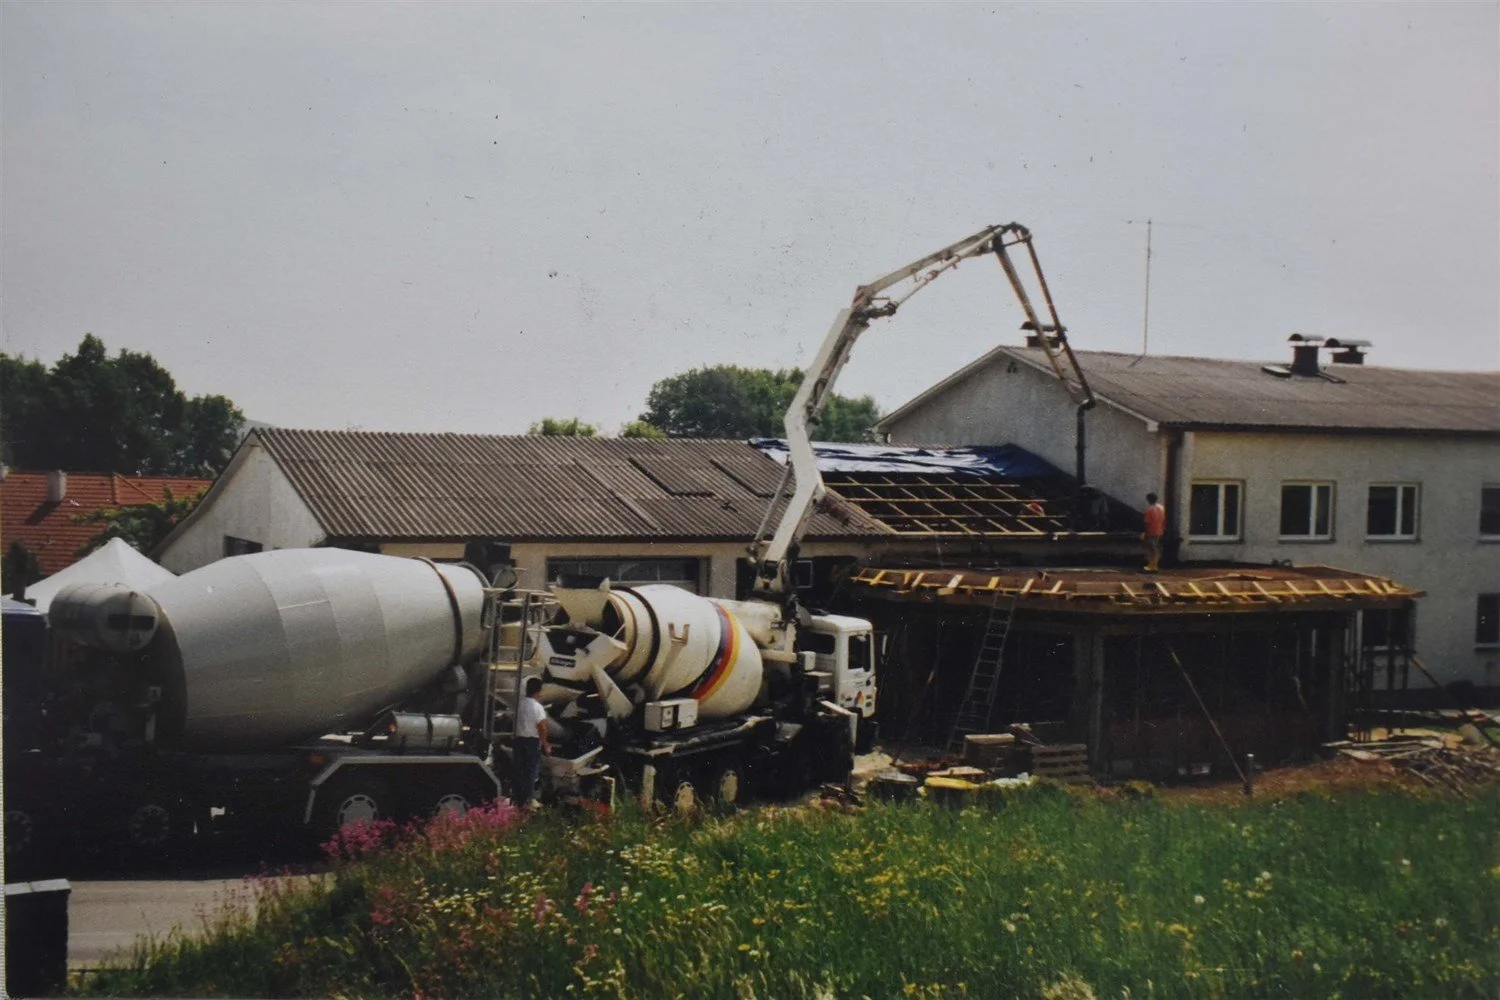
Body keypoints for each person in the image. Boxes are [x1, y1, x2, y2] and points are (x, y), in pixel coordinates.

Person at [513, 675, 552, 807]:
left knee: (519, 771)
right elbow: (542, 727)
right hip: (532, 742)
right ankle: (530, 799)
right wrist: (546, 744)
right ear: (539, 691)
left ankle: (518, 799)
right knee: (531, 771)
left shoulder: (520, 705)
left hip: (518, 740)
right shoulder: (537, 707)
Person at [1142, 492, 1166, 572]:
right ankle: (1154, 565)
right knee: (1155, 547)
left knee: (1151, 548)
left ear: (1149, 500)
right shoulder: (1162, 508)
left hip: (1151, 531)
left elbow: (1147, 523)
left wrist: (1145, 533)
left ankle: (1152, 566)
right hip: (1159, 530)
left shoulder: (1149, 510)